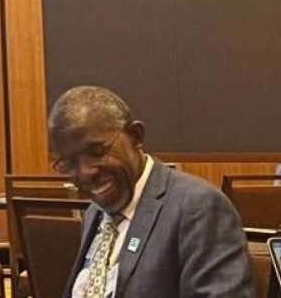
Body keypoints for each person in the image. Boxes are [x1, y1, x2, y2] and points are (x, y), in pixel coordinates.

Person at [49, 85, 253, 298]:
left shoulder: (198, 207)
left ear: (135, 136)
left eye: (96, 151)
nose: (85, 173)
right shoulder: (95, 213)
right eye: (70, 163)